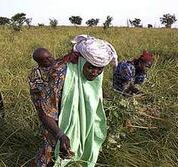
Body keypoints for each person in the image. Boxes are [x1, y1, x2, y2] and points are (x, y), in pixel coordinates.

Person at [33, 35, 117, 167]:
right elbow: (45, 112)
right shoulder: (61, 75)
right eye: (90, 67)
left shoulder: (95, 72)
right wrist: (60, 135)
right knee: (51, 158)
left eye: (99, 69)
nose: (95, 73)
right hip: (56, 125)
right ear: (82, 61)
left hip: (80, 127)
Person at [29, 48, 55, 113]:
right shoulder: (36, 73)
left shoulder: (56, 64)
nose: (50, 60)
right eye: (45, 60)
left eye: (49, 57)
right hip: (44, 103)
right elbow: (36, 89)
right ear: (39, 63)